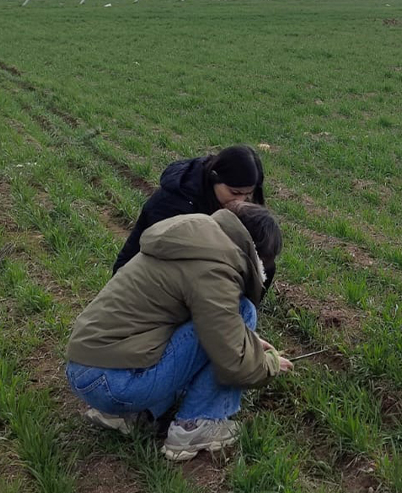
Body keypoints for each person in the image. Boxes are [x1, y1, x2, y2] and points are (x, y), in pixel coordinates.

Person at [66, 201, 293, 460]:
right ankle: (196, 426)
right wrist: (269, 364)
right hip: (115, 383)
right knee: (244, 311)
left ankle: (134, 413)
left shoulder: (196, 239)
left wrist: (246, 338)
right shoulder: (216, 267)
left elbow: (203, 318)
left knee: (224, 326)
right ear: (258, 256)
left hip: (86, 369)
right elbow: (233, 359)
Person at [113, 145, 268, 277]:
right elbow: (171, 262)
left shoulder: (223, 201)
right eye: (234, 193)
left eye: (247, 195)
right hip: (147, 277)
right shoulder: (174, 204)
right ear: (214, 178)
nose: (240, 201)